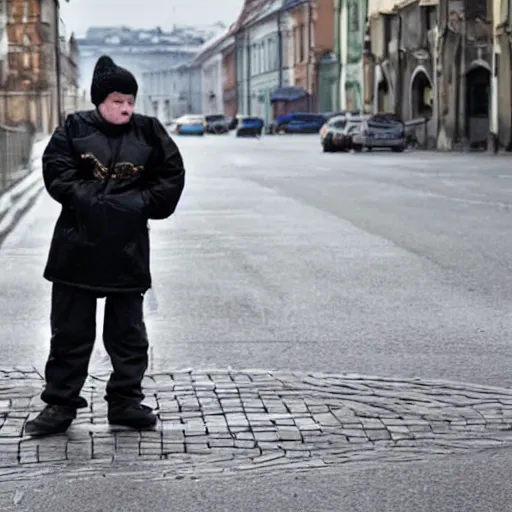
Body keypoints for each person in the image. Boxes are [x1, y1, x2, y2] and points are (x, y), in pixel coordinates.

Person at [25, 55, 185, 436]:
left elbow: (171, 175)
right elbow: (58, 173)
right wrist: (96, 202)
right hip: (77, 247)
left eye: (130, 101)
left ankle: (126, 402)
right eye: (118, 101)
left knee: (128, 333)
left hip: (127, 251)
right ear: (100, 100)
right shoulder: (74, 128)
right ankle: (60, 405)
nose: (126, 108)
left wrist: (138, 204)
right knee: (69, 334)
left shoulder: (149, 132)